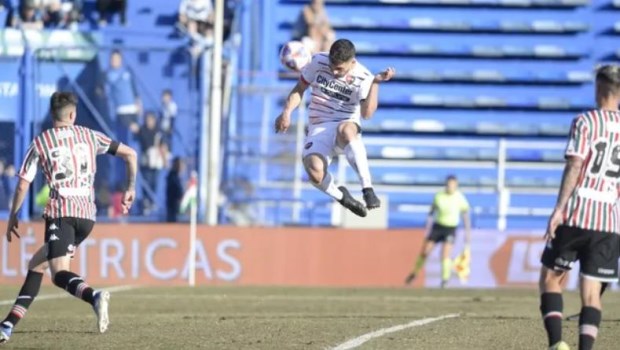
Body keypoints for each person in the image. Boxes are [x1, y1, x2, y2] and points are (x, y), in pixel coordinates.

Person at [0, 92, 138, 344]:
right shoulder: (90, 136)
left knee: (59, 273)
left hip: (61, 214)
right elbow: (130, 154)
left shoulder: (41, 142)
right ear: (72, 114)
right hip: (87, 217)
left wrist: (13, 216)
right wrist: (130, 188)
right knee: (36, 264)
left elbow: (22, 185)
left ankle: (94, 296)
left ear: (51, 114)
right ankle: (7, 324)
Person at [538, 65, 620, 350]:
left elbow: (575, 163)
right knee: (592, 292)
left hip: (577, 212)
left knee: (551, 277)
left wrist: (558, 208)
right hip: (609, 220)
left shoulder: (585, 121)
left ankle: (557, 343)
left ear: (599, 89)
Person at [274, 39, 394, 217]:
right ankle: (342, 197)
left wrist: (375, 83)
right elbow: (300, 88)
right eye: (332, 66)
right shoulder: (318, 62)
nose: (334, 71)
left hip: (345, 124)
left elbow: (367, 114)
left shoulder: (364, 77)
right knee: (314, 172)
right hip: (319, 127)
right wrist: (286, 112)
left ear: (352, 62)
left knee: (345, 130)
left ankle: (367, 189)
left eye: (340, 69)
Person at [404, 175, 471, 288]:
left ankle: (445, 280)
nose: (450, 186)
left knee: (445, 254)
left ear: (456, 185)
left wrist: (467, 232)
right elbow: (432, 211)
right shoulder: (439, 196)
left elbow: (465, 215)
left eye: (452, 184)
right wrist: (427, 224)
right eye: (448, 184)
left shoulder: (460, 198)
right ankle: (414, 273)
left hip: (450, 228)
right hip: (437, 227)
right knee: (425, 251)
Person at [166, 157, 185, 222]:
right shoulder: (172, 176)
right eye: (179, 165)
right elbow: (177, 189)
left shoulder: (177, 175)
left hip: (176, 202)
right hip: (173, 203)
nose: (181, 167)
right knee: (172, 220)